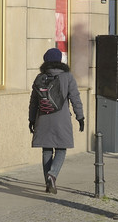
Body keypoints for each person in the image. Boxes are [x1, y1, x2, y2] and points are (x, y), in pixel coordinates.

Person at [28, 48, 84, 194]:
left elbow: (33, 101)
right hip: (61, 119)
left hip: (43, 118)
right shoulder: (68, 77)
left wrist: (31, 119)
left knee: (46, 149)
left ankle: (48, 183)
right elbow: (75, 98)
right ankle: (52, 175)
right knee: (61, 148)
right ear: (59, 60)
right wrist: (80, 117)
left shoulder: (40, 77)